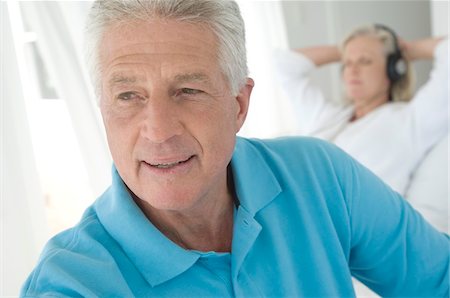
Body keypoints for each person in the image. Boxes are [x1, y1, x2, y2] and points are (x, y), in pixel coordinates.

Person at [21, 1, 448, 297]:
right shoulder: (70, 283)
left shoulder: (321, 175)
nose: (158, 131)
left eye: (188, 90)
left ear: (238, 105)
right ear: (103, 111)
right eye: (128, 96)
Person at [273, 24, 448, 198]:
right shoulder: (326, 117)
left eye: (365, 61)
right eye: (347, 62)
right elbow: (285, 63)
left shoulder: (410, 121)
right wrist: (347, 49)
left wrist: (407, 52)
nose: (353, 70)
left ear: (392, 70)